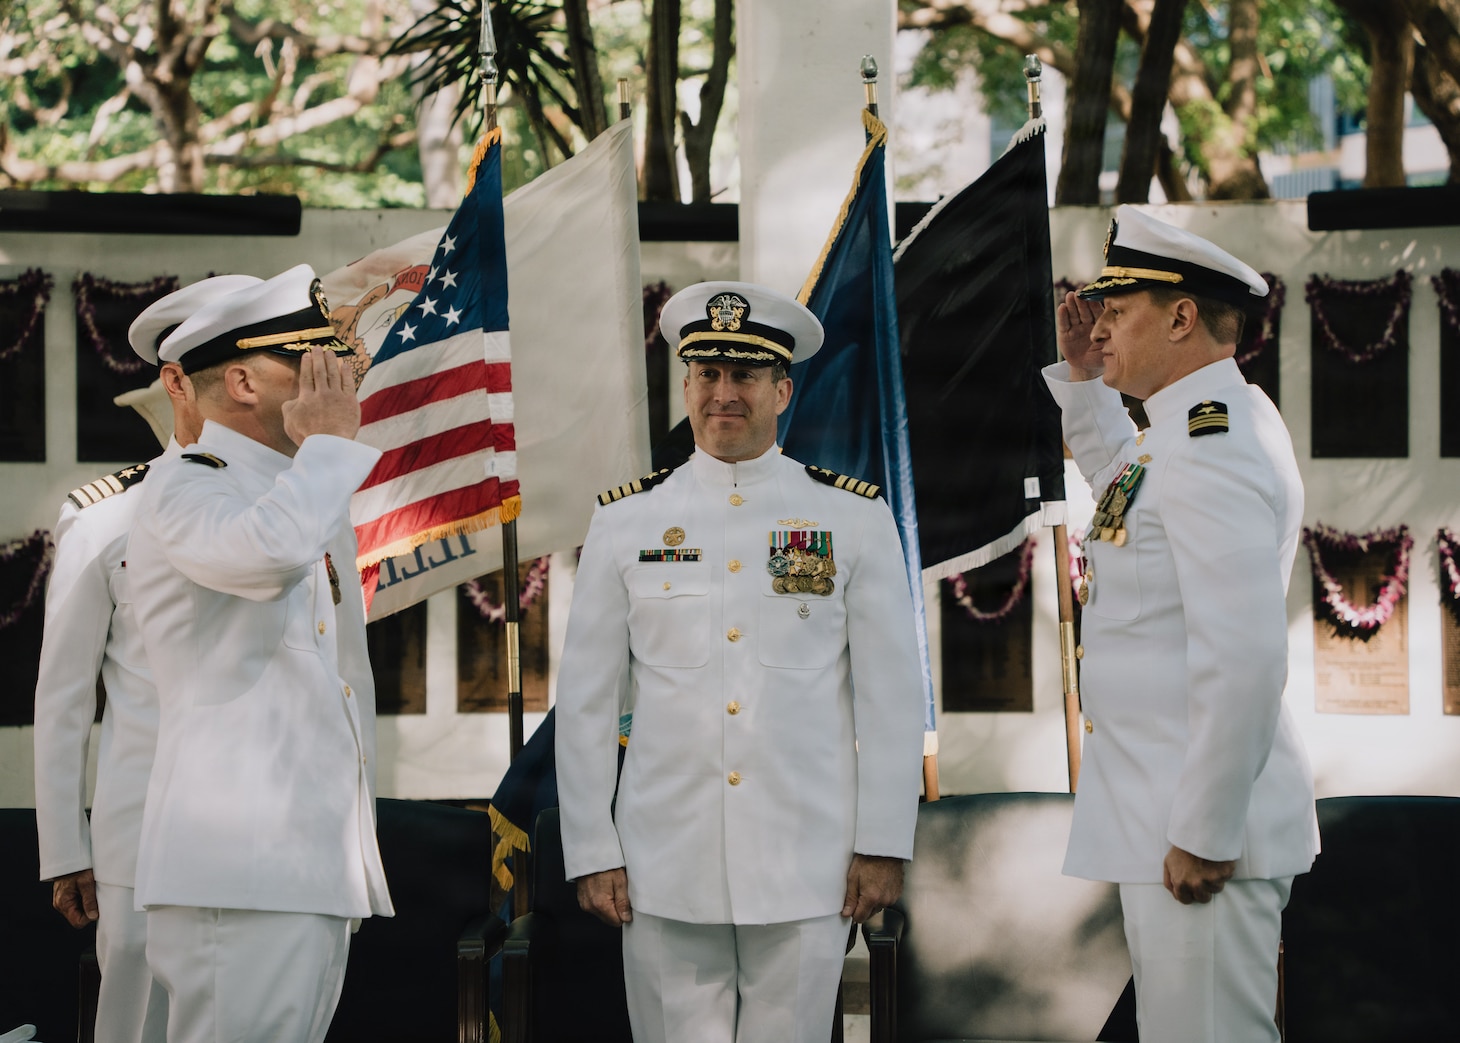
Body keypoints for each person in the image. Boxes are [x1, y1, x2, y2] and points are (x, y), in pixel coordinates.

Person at [556, 281, 926, 1043]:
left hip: (808, 861)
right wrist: (592, 846)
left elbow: (892, 697)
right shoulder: (626, 522)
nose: (724, 393)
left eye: (746, 376)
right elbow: (588, 698)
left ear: (782, 389)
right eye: (707, 374)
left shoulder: (850, 519)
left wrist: (883, 842)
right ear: (686, 384)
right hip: (663, 860)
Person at [1047, 206, 1319, 1043]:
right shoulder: (1183, 431)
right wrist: (1087, 384)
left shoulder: (1211, 441)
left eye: (1118, 313)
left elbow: (1242, 656)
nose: (1101, 330)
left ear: (1180, 316)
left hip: (1195, 833)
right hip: (1163, 819)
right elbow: (1122, 495)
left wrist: (1204, 830)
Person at [124, 265, 393, 1043]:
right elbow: (262, 558)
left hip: (301, 861)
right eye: (308, 361)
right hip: (236, 864)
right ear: (241, 379)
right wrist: (330, 448)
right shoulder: (187, 484)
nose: (335, 377)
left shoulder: (297, 489)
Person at [34, 274, 262, 1043]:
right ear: (179, 380)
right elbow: (64, 697)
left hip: (272, 822)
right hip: (141, 838)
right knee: (137, 1019)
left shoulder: (302, 509)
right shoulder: (103, 521)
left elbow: (346, 681)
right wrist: (66, 845)